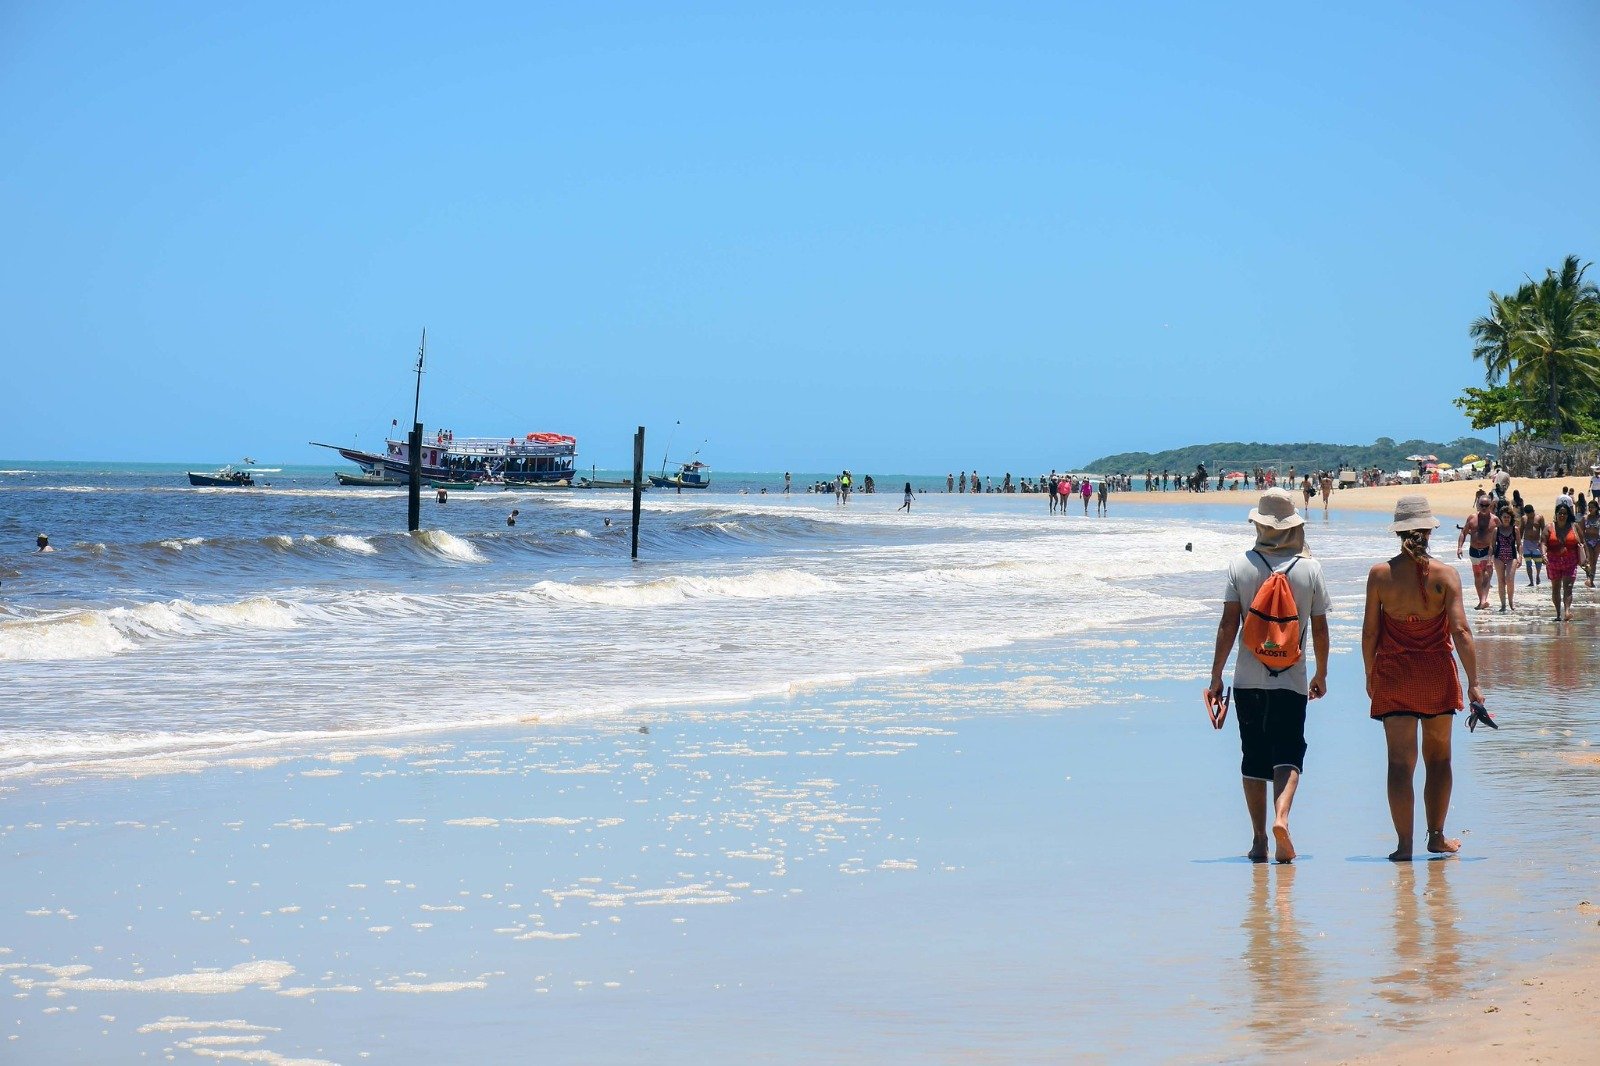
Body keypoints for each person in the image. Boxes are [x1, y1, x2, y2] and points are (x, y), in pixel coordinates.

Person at [1208, 489, 1330, 864]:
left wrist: (1216, 678)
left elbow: (1229, 625)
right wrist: (1322, 673)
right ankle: (1282, 818)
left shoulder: (1240, 565)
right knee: (1289, 752)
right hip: (1291, 679)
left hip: (1247, 680)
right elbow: (1321, 629)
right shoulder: (1310, 569)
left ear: (1259, 525)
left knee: (1253, 757)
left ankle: (1259, 839)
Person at [1363, 495, 1481, 862]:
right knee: (1439, 760)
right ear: (1429, 531)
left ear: (1399, 533)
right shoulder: (1445, 575)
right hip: (1436, 676)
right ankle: (1437, 836)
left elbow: (1369, 633)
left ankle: (1404, 845)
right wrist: (1474, 681)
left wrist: (1370, 674)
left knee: (1400, 764)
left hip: (1394, 676)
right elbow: (1461, 631)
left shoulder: (1381, 574)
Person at [1454, 494, 1497, 610]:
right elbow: (1463, 532)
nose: (1483, 507)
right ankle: (1481, 600)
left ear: (1490, 505)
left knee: (1487, 575)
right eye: (1481, 505)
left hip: (1487, 551)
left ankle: (1483, 601)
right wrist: (1459, 547)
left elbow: (1501, 536)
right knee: (1478, 576)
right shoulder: (1472, 518)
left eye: (1486, 505)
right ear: (1478, 504)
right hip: (1473, 551)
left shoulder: (1495, 520)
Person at [1545, 501, 1580, 622]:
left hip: (1570, 561)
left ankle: (1567, 611)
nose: (1562, 516)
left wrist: (1585, 560)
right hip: (1553, 561)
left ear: (1567, 515)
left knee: (1568, 587)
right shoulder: (1549, 527)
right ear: (1556, 514)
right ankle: (1558, 613)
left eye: (1564, 513)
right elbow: (1543, 542)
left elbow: (1582, 542)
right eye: (1560, 513)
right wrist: (1543, 553)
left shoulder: (1574, 527)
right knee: (1556, 587)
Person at [1491, 503, 1520, 612]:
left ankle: (1511, 602)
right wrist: (1490, 558)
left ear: (1511, 517)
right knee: (1501, 580)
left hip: (1511, 556)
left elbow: (1519, 544)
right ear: (1501, 518)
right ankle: (1503, 605)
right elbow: (1492, 546)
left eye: (1508, 517)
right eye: (1504, 517)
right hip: (1499, 557)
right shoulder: (1496, 530)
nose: (1506, 519)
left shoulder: (1515, 529)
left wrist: (1520, 557)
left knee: (1509, 579)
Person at [1520, 504, 1545, 586]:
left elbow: (1543, 530)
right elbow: (1521, 531)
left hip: (1536, 543)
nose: (1528, 516)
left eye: (1529, 514)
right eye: (1527, 514)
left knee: (1538, 562)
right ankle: (1531, 581)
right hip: (1527, 543)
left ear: (1533, 512)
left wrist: (1542, 542)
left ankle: (1537, 576)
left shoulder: (1539, 517)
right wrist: (1518, 543)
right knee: (1528, 563)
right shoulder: (1524, 518)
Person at [1582, 499, 1600, 589]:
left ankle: (1591, 581)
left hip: (1597, 541)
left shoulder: (1599, 518)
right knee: (1589, 561)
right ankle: (1589, 579)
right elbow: (1581, 532)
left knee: (1594, 562)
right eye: (1589, 507)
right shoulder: (1585, 518)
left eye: (1592, 507)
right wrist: (1582, 543)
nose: (1590, 509)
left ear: (1596, 508)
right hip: (1587, 541)